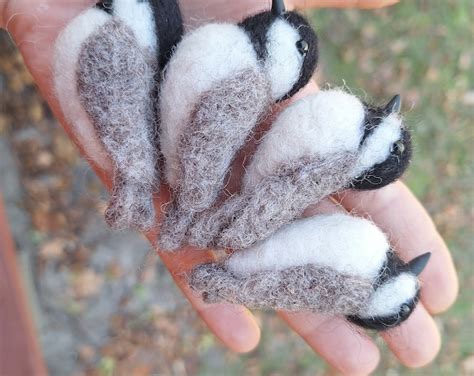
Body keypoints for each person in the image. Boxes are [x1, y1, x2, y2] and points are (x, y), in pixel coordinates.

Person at [0, 0, 458, 374]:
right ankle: (168, 203)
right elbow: (217, 143)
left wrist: (227, 221)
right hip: (192, 170)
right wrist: (196, 200)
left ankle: (175, 208)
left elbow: (279, 191)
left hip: (209, 186)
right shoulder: (241, 74)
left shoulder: (243, 70)